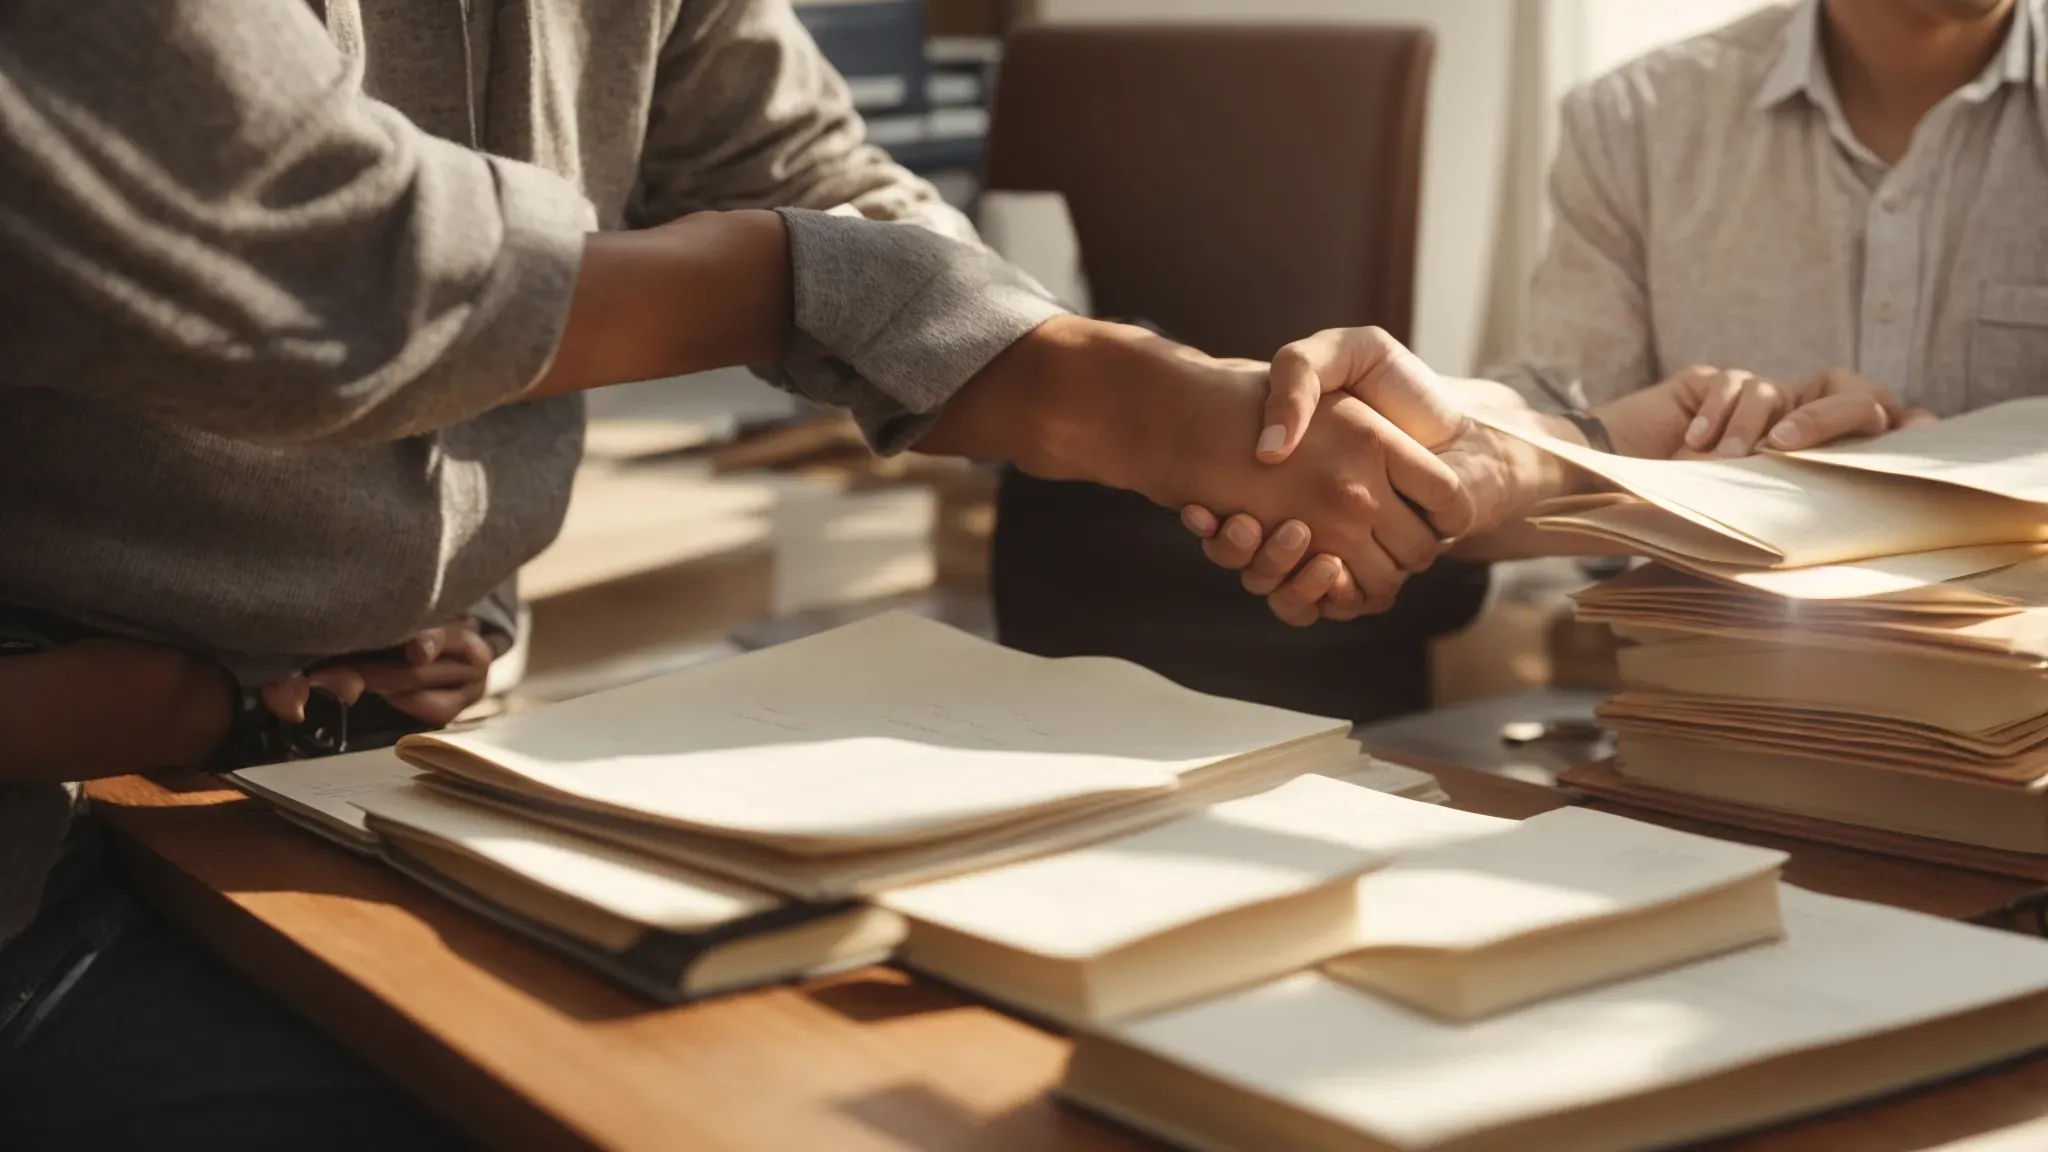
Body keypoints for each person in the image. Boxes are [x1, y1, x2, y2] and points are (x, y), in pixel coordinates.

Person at [0, 1, 1483, 1147]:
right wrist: (890, 309)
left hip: (360, 770)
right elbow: (326, 266)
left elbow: (816, 177)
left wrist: (1175, 407)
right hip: (54, 851)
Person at [1190, 0, 2044, 618]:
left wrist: (1938, 486)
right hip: (1703, 720)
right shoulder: (1639, 120)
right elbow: (1563, 416)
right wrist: (1412, 463)